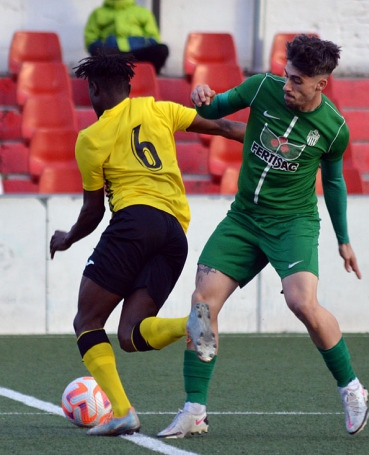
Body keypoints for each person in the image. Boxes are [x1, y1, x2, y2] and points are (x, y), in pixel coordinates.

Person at [157, 34, 369, 439]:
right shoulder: (261, 87)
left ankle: (352, 389)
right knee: (202, 303)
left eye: (298, 80)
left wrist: (343, 238)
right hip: (243, 219)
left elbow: (335, 181)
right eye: (287, 75)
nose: (287, 85)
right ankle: (194, 410)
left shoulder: (334, 129)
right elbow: (213, 107)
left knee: (302, 303)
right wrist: (202, 95)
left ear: (320, 84)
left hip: (293, 223)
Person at [49, 50, 245, 436]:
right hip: (174, 233)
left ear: (94, 90)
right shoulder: (161, 110)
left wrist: (68, 237)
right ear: (129, 86)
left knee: (87, 321)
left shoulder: (91, 138)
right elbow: (223, 127)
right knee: (130, 336)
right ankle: (188, 323)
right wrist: (269, 145)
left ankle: (122, 412)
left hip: (134, 223)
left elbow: (92, 213)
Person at [84, 0, 169, 74]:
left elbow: (153, 38)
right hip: (112, 53)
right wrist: (107, 43)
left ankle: (141, 71)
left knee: (162, 49)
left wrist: (137, 42)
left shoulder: (143, 12)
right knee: (97, 50)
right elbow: (90, 40)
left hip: (138, 54)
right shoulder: (97, 13)